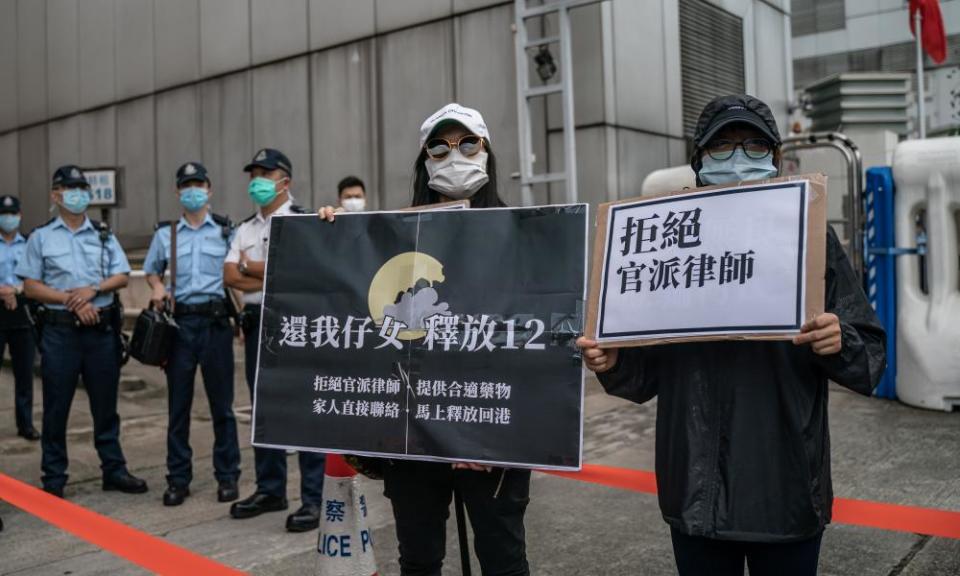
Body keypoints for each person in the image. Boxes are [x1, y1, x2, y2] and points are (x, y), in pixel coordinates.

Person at [577, 95, 886, 576]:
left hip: (783, 487)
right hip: (695, 491)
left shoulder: (808, 234)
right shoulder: (668, 242)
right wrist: (613, 363)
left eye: (753, 146)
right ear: (698, 162)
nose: (738, 158)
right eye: (721, 147)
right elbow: (647, 372)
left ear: (776, 160)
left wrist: (839, 340)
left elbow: (870, 354)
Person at [319, 103, 529, 576]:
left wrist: (499, 435)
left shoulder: (524, 232)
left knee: (503, 558)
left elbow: (538, 338)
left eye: (468, 143)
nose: (454, 155)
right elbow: (357, 316)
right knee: (418, 559)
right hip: (415, 436)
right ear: (425, 162)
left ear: (487, 153)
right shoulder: (393, 237)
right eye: (439, 146)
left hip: (491, 432)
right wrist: (329, 238)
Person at [15, 165, 148, 498]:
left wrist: (93, 289)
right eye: (69, 188)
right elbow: (30, 286)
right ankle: (54, 477)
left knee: (105, 406)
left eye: (82, 188)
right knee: (56, 407)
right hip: (60, 334)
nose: (77, 194)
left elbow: (121, 275)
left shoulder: (103, 234)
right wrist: (72, 300)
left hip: (100, 332)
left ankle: (113, 470)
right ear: (55, 195)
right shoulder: (41, 237)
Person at [224, 148, 326, 532]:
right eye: (254, 173)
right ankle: (271, 489)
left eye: (266, 173)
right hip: (255, 323)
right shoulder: (245, 228)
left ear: (286, 181)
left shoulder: (304, 222)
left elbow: (300, 272)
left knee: (303, 406)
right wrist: (270, 270)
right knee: (262, 406)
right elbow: (230, 277)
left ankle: (313, 497)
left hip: (293, 324)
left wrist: (252, 268)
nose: (258, 180)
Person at [143, 162, 241, 507]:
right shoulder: (165, 234)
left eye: (198, 184)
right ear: (177, 192)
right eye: (186, 185)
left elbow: (237, 275)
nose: (193, 190)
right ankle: (178, 479)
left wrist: (241, 319)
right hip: (180, 327)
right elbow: (151, 272)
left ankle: (227, 476)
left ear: (209, 189)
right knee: (178, 406)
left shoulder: (226, 231)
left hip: (216, 325)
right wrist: (158, 288)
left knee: (222, 407)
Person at [0, 195, 38, 441]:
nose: (9, 218)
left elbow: (36, 278)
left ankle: (25, 424)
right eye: (5, 213)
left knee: (25, 373)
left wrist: (14, 291)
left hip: (23, 312)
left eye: (13, 213)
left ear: (20, 215)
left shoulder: (29, 244)